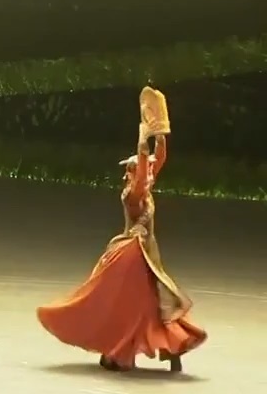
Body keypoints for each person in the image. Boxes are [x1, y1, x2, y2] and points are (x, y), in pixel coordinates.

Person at [37, 87, 206, 373]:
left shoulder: (145, 185)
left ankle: (167, 350)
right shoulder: (132, 194)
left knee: (160, 301)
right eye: (139, 169)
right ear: (130, 173)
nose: (148, 171)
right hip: (133, 255)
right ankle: (125, 350)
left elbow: (158, 159)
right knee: (140, 304)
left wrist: (159, 131)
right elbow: (144, 168)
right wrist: (142, 137)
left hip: (148, 253)